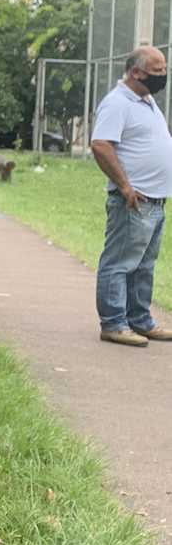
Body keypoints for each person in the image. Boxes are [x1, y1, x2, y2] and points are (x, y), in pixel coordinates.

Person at [90, 46, 172, 346]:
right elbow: (100, 144)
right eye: (157, 71)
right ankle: (113, 323)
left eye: (164, 69)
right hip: (133, 200)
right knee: (120, 263)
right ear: (136, 72)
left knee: (143, 266)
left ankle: (140, 320)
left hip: (155, 201)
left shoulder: (146, 100)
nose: (163, 76)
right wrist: (125, 186)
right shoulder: (118, 102)